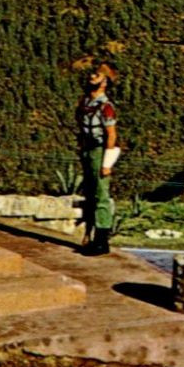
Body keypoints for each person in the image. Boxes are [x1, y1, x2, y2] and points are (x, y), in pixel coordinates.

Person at [73, 62, 119, 255]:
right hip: (88, 150)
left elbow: (112, 135)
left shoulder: (105, 106)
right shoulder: (85, 103)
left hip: (100, 151)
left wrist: (107, 163)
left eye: (98, 75)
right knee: (90, 194)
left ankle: (101, 240)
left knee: (101, 195)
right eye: (92, 74)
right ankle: (90, 236)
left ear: (105, 82)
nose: (93, 77)